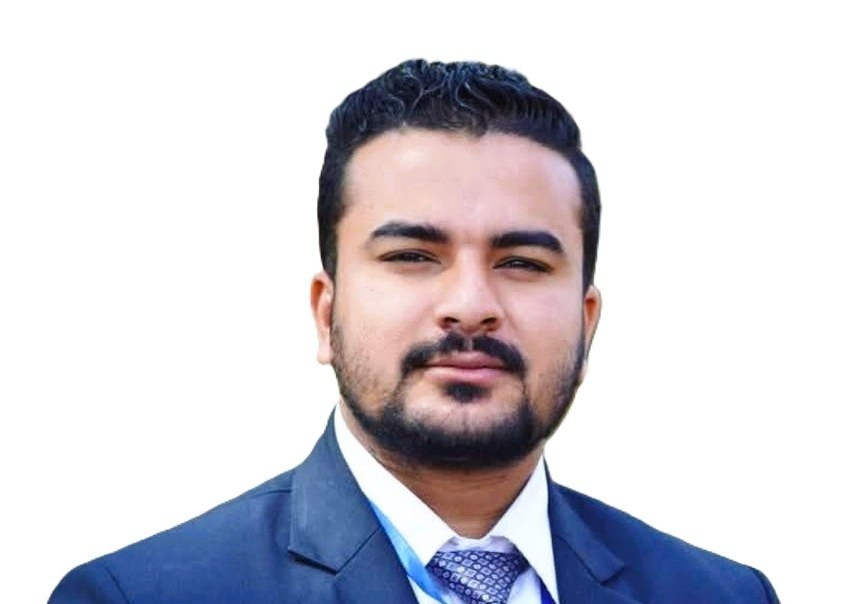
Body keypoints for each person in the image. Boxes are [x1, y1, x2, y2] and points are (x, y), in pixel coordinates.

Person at [50, 59, 779, 604]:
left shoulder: (720, 594)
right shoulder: (141, 595)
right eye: (412, 257)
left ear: (588, 323)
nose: (470, 305)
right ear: (326, 312)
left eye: (522, 263)